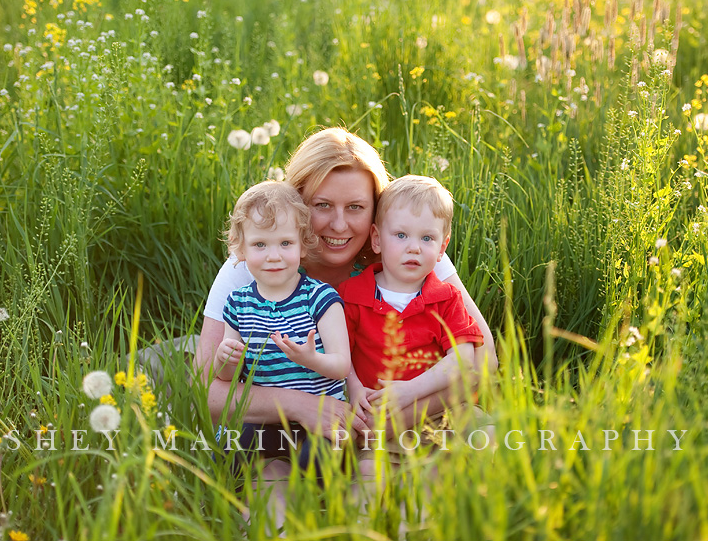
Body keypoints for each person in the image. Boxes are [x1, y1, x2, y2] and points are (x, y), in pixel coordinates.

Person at [193, 127, 498, 438]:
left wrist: (390, 423)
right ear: (296, 204)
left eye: (356, 207)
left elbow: (484, 360)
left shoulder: (406, 250)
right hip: (294, 430)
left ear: (376, 213)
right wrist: (301, 405)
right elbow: (207, 390)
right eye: (322, 205)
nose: (339, 225)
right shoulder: (257, 264)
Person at [211, 181, 351, 530]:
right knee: (244, 452)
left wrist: (311, 359)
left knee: (314, 460)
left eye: (285, 243)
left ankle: (312, 505)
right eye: (260, 244)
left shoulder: (320, 298)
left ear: (304, 246)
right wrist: (225, 360)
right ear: (240, 250)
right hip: (266, 423)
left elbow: (341, 365)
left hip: (318, 425)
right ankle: (270, 519)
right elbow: (226, 379)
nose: (274, 255)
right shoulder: (239, 303)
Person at [340, 175, 485, 475]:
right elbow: (340, 353)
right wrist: (353, 388)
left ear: (443, 245)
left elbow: (463, 359)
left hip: (445, 414)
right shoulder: (351, 295)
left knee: (487, 437)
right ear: (377, 239)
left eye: (427, 238)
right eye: (401, 236)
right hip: (381, 422)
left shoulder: (445, 297)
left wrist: (409, 391)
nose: (414, 248)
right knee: (368, 479)